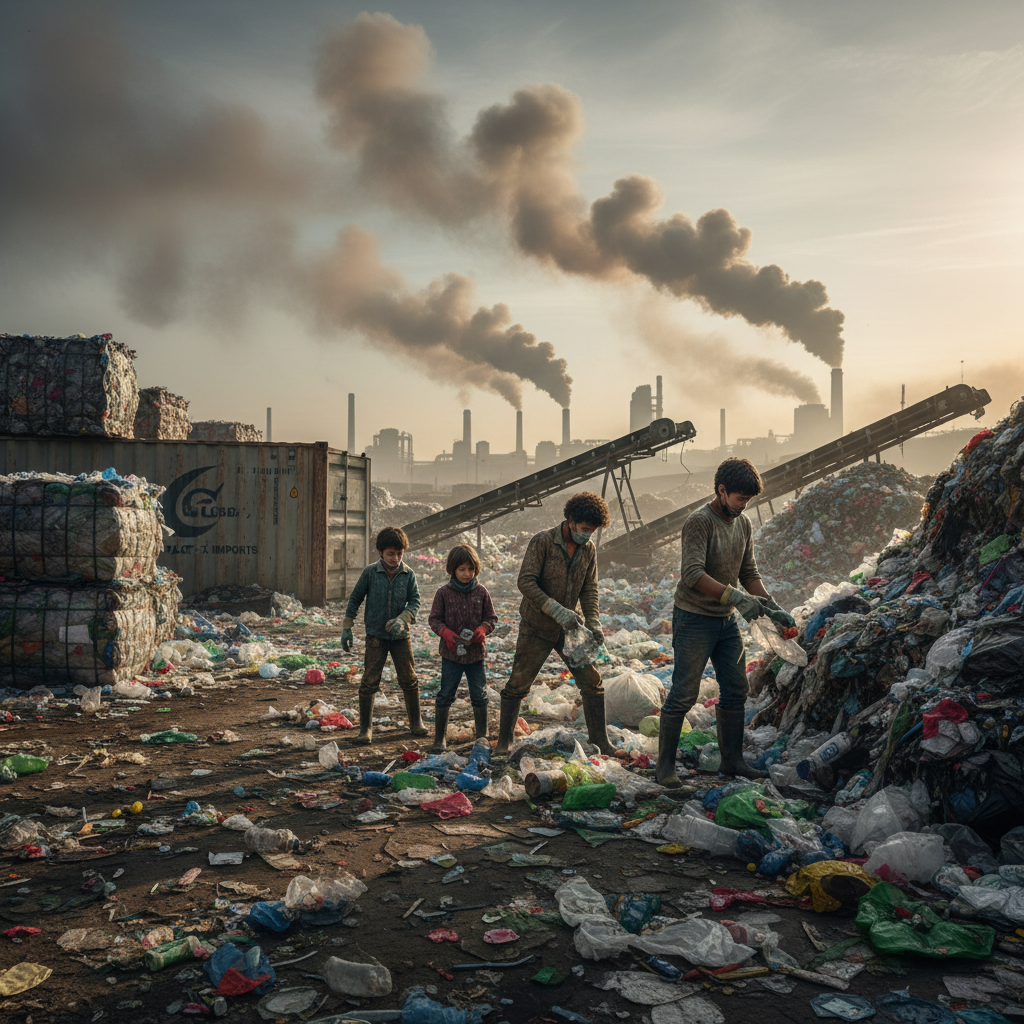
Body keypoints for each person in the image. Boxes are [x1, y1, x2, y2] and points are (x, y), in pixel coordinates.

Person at [656, 457, 794, 786]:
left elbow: (748, 574)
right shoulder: (699, 522)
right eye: (739, 498)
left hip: (725, 621)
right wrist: (736, 598)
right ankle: (664, 768)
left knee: (736, 688)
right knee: (684, 693)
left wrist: (772, 606)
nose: (744, 506)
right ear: (721, 491)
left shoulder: (742, 524)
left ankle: (732, 761)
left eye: (748, 500)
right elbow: (692, 575)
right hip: (694, 618)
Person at [494, 491, 614, 755]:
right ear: (570, 520)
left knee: (592, 682)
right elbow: (525, 581)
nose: (587, 535)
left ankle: (600, 741)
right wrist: (554, 609)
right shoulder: (543, 542)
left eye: (592, 531)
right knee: (518, 684)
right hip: (536, 626)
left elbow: (590, 588)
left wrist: (593, 620)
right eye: (584, 529)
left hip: (569, 630)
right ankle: (504, 742)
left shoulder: (588, 549)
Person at [341, 525, 427, 746]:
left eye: (400, 553)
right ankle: (365, 729)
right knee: (370, 681)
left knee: (409, 679)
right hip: (376, 636)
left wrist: (404, 618)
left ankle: (415, 723)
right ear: (380, 552)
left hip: (400, 637)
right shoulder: (370, 572)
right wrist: (347, 626)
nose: (396, 558)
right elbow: (355, 598)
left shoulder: (409, 574)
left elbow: (415, 601)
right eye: (391, 553)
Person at [427, 543, 498, 752]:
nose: (467, 574)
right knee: (446, 694)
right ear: (452, 570)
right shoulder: (443, 593)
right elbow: (434, 619)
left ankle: (482, 737)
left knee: (479, 695)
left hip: (476, 655)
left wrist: (483, 629)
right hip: (451, 654)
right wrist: (445, 633)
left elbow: (491, 618)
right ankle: (440, 739)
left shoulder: (482, 592)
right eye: (461, 569)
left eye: (470, 569)